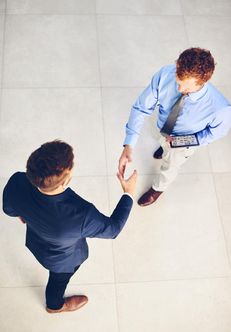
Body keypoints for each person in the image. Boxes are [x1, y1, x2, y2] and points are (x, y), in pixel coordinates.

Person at [3, 140, 137, 313]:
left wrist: (25, 215)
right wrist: (128, 193)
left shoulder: (17, 181)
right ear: (65, 181)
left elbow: (8, 209)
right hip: (62, 261)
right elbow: (113, 230)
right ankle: (54, 306)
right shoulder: (82, 215)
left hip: (36, 243)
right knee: (58, 282)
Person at [118, 47, 231, 207]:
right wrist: (128, 145)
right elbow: (141, 108)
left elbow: (213, 133)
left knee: (170, 166)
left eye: (186, 88)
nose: (179, 89)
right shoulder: (166, 74)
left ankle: (158, 188)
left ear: (203, 82)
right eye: (178, 82)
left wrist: (183, 141)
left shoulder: (221, 109)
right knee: (162, 143)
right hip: (162, 128)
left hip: (183, 145)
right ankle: (163, 148)